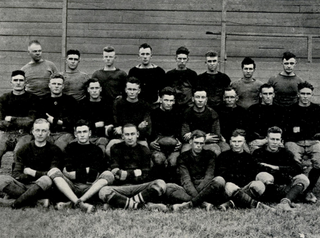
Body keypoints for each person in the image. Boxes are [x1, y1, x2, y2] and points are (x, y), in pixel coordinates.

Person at [48, 120, 114, 213]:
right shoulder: (70, 148)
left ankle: (75, 202)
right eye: (79, 132)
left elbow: (95, 174)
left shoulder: (97, 150)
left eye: (85, 132)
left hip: (90, 187)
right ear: (75, 134)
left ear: (90, 133)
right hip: (72, 186)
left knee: (108, 174)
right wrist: (86, 170)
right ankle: (79, 203)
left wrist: (77, 173)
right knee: (53, 171)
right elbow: (68, 170)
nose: (82, 135)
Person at [99, 124, 167, 211]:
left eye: (132, 134)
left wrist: (125, 174)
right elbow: (116, 173)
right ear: (122, 136)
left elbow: (145, 174)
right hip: (121, 188)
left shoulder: (144, 150)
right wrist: (136, 172)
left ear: (137, 134)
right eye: (127, 134)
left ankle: (122, 204)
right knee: (103, 191)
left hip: (140, 187)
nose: (130, 137)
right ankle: (141, 206)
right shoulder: (116, 148)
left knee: (161, 183)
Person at [0, 119, 63, 208]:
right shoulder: (23, 149)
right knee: (1, 179)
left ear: (48, 133)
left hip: (42, 187)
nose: (40, 133)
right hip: (24, 185)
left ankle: (13, 204)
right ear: (32, 132)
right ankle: (36, 202)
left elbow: (52, 174)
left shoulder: (55, 150)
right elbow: (16, 174)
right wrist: (28, 177)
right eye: (37, 130)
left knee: (46, 179)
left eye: (43, 131)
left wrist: (31, 172)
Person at [253, 126, 310, 211]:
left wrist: (276, 167)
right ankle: (286, 198)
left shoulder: (286, 153)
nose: (275, 142)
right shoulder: (258, 152)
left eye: (277, 139)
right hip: (267, 188)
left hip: (284, 186)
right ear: (267, 139)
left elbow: (297, 169)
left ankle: (285, 202)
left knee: (303, 178)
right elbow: (256, 168)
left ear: (281, 140)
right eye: (272, 139)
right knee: (263, 175)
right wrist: (284, 170)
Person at [168, 130, 226, 211]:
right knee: (169, 187)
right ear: (191, 142)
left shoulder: (210, 155)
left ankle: (190, 204)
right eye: (196, 143)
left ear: (204, 143)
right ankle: (202, 203)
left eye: (201, 143)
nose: (199, 145)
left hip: (206, 187)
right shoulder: (183, 157)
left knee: (220, 180)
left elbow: (209, 177)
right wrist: (198, 196)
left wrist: (199, 194)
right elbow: (186, 180)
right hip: (190, 187)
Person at [215, 129, 272, 210]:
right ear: (230, 142)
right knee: (229, 186)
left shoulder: (249, 157)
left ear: (244, 142)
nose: (237, 144)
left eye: (239, 141)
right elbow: (221, 173)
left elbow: (255, 172)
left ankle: (231, 203)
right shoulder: (223, 156)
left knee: (259, 185)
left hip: (245, 187)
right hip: (231, 187)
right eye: (234, 141)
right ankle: (250, 202)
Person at [284, 81, 320, 203]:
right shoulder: (290, 110)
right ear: (298, 94)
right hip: (295, 142)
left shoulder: (317, 109)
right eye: (303, 93)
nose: (305, 96)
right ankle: (297, 189)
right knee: (294, 160)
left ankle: (308, 191)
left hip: (313, 142)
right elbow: (287, 130)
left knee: (319, 160)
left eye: (308, 94)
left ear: (312, 94)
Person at [0, 70, 38, 167]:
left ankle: (18, 174)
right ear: (11, 82)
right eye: (15, 80)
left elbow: (30, 121)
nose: (18, 82)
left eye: (21, 80)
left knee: (19, 151)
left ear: (25, 82)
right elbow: (0, 123)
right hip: (7, 133)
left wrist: (11, 119)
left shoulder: (32, 98)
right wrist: (19, 121)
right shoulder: (4, 98)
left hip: (25, 133)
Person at [106, 77, 151, 156]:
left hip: (138, 139)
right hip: (120, 138)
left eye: (134, 89)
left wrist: (140, 129)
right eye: (130, 89)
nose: (132, 92)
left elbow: (147, 131)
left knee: (146, 152)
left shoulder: (145, 105)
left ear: (139, 91)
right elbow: (113, 124)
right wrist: (116, 129)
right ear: (126, 90)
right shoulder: (118, 104)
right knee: (109, 150)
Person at [181, 87, 229, 156]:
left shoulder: (212, 113)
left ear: (206, 100)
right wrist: (204, 137)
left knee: (216, 151)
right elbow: (184, 135)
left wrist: (192, 134)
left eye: (202, 97)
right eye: (198, 97)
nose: (200, 100)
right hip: (192, 143)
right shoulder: (187, 113)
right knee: (185, 152)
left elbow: (216, 135)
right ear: (193, 99)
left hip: (209, 143)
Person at [37, 74, 78, 152]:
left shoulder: (70, 101)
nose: (56, 86)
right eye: (54, 84)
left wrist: (56, 121)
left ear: (63, 86)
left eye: (59, 84)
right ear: (49, 85)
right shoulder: (42, 101)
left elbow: (74, 119)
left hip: (65, 133)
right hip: (48, 133)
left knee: (58, 149)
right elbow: (40, 118)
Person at [149, 87, 182, 183]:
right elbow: (150, 131)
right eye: (166, 100)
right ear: (160, 99)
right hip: (158, 145)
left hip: (173, 145)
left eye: (171, 100)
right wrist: (151, 143)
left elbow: (180, 131)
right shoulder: (153, 113)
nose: (168, 103)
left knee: (173, 162)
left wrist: (180, 142)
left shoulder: (178, 113)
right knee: (159, 159)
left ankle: (171, 186)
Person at [78, 78, 113, 155]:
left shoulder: (107, 104)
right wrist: (95, 125)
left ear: (100, 89)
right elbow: (79, 123)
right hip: (84, 135)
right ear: (88, 90)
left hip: (101, 137)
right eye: (92, 88)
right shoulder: (82, 104)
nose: (94, 90)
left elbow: (109, 122)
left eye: (96, 88)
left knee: (101, 151)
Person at [246, 84, 284, 152]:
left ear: (273, 95)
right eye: (265, 94)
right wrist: (262, 140)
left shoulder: (279, 110)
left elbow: (282, 127)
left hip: (275, 140)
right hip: (258, 141)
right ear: (260, 95)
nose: (268, 96)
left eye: (270, 93)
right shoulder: (253, 109)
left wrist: (270, 140)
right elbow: (249, 129)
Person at [92, 46, 127, 113]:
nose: (108, 59)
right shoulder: (97, 74)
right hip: (101, 106)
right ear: (103, 58)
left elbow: (127, 90)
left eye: (110, 57)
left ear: (115, 58)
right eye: (106, 57)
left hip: (118, 107)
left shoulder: (122, 74)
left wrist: (122, 97)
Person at [164, 46, 197, 114]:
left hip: (188, 108)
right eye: (180, 58)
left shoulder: (192, 74)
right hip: (173, 107)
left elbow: (195, 91)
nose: (182, 61)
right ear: (176, 59)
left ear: (187, 59)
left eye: (184, 59)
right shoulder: (169, 74)